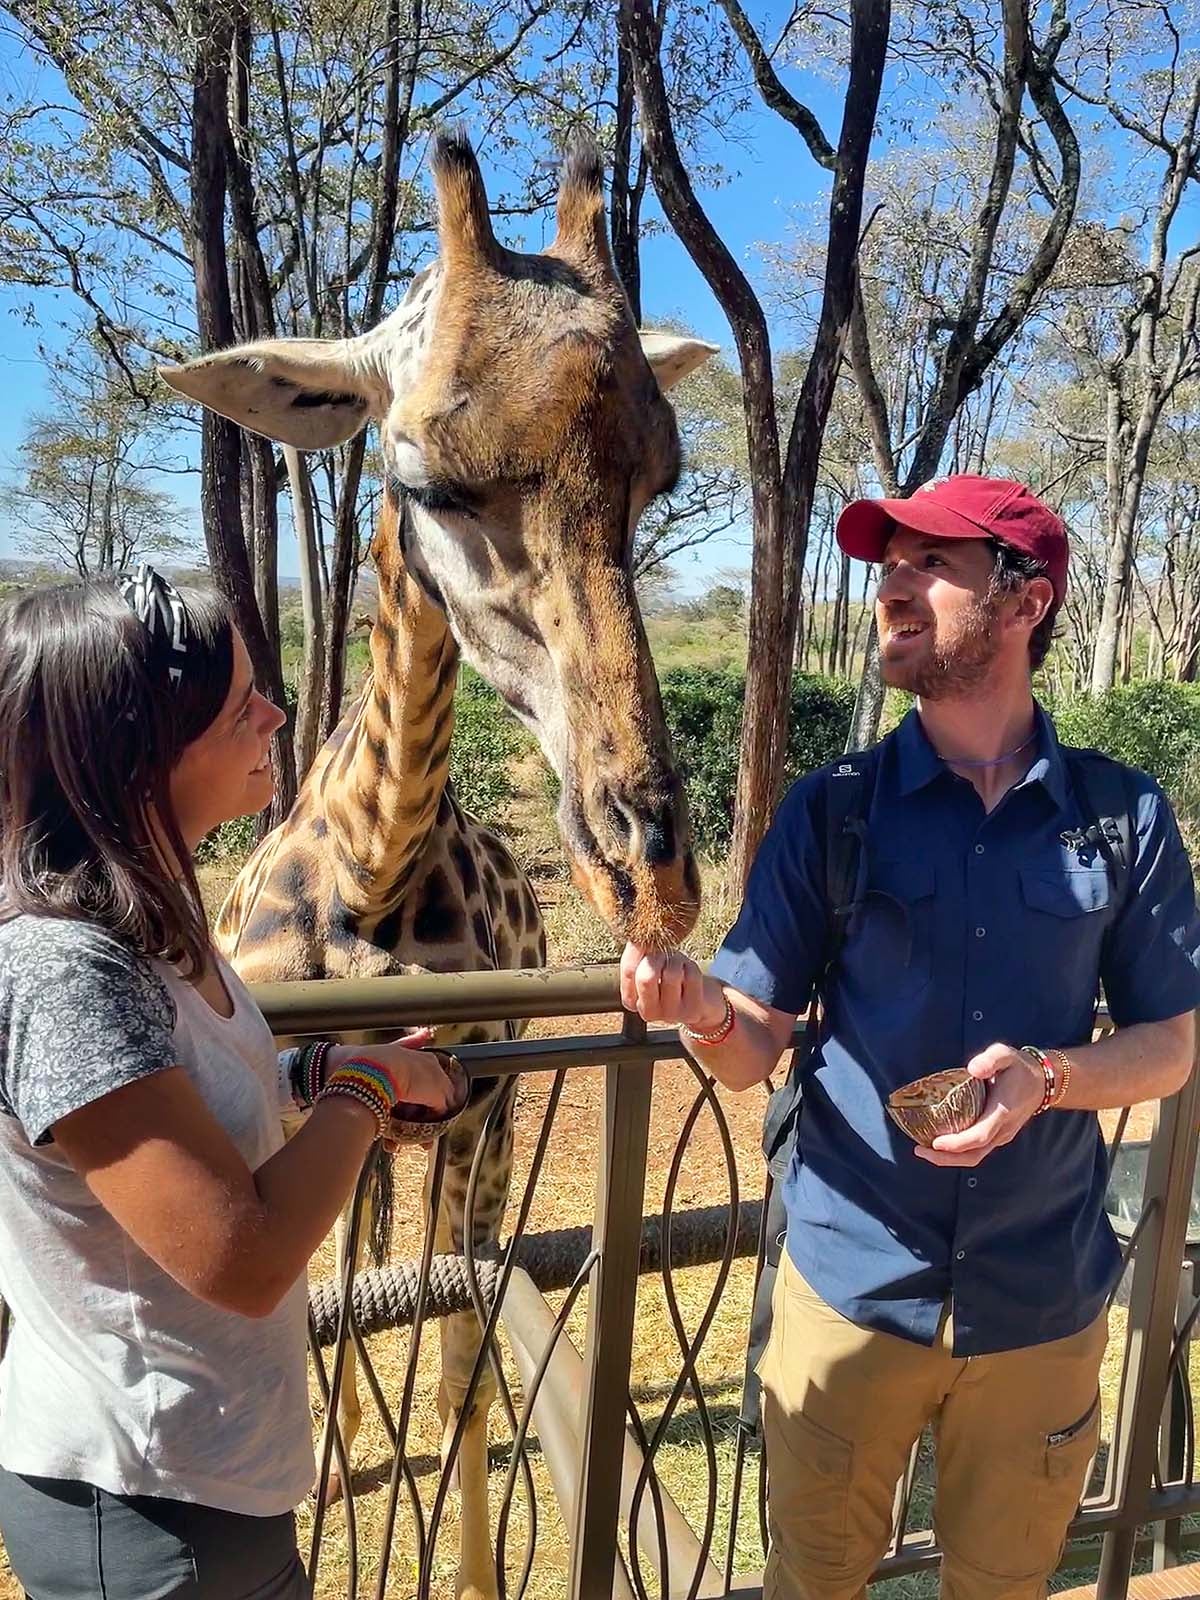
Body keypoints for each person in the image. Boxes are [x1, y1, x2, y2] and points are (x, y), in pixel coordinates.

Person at [621, 476, 1200, 1600]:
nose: (891, 585)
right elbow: (751, 1044)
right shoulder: (831, 811)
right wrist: (698, 1006)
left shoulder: (1124, 819)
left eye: (929, 562)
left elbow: (1172, 1040)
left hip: (1042, 1307)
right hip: (849, 1297)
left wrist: (1049, 1076)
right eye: (887, 564)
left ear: (1024, 603)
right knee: (813, 1583)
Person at [0, 568, 460, 1599]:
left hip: (217, 1487)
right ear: (143, 750)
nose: (276, 714)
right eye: (239, 703)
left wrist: (315, 1072)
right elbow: (240, 1256)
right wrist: (368, 1090)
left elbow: (191, 1093)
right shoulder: (64, 967)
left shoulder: (151, 918)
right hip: (145, 1508)